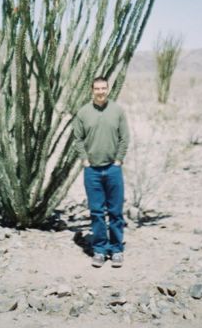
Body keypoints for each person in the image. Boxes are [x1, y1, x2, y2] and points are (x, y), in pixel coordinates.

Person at [73, 76, 129, 268]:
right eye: (97, 88)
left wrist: (119, 160)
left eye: (103, 88)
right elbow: (78, 139)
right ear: (92, 90)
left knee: (115, 212)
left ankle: (116, 250)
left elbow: (124, 137)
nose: (100, 92)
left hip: (113, 169)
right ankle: (99, 250)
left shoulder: (117, 111)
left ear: (108, 89)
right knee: (97, 212)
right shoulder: (83, 112)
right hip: (92, 171)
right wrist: (85, 160)